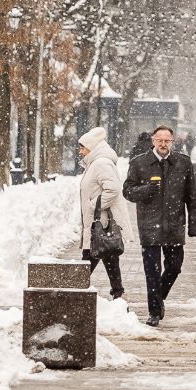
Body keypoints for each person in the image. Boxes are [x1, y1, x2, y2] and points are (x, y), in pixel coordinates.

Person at [122, 124, 196, 325]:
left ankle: (159, 298)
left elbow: (192, 197)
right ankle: (154, 313)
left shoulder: (182, 163)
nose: (163, 144)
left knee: (175, 267)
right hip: (149, 225)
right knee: (152, 271)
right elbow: (128, 191)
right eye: (160, 140)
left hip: (175, 225)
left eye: (167, 141)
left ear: (172, 142)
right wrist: (146, 190)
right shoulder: (140, 163)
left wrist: (194, 226)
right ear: (153, 141)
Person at [77, 126, 131, 301]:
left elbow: (113, 189)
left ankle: (73, 293)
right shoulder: (95, 163)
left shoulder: (101, 163)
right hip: (100, 223)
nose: (80, 151)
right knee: (109, 258)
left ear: (92, 148)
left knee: (89, 259)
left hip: (100, 223)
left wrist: (94, 206)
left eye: (83, 147)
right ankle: (117, 294)